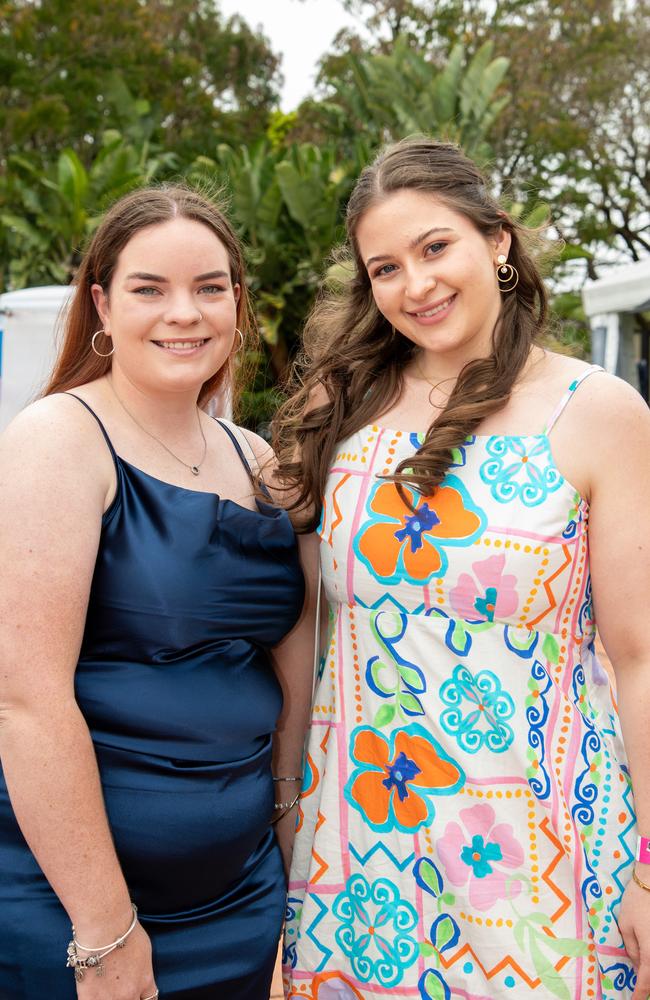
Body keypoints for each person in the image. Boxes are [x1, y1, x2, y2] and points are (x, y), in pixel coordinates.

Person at [274, 138, 650, 1000]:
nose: (416, 284)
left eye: (435, 247)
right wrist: (288, 807)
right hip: (360, 854)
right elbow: (306, 624)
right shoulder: (346, 410)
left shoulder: (596, 412)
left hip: (542, 860)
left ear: (498, 241)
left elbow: (641, 657)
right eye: (385, 268)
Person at [0, 185, 316, 999]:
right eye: (150, 289)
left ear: (238, 306)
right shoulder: (58, 440)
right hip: (76, 907)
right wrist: (104, 928)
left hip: (242, 895)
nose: (186, 312)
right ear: (103, 302)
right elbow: (25, 702)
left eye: (211, 288)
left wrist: (285, 817)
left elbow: (286, 663)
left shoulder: (257, 459)